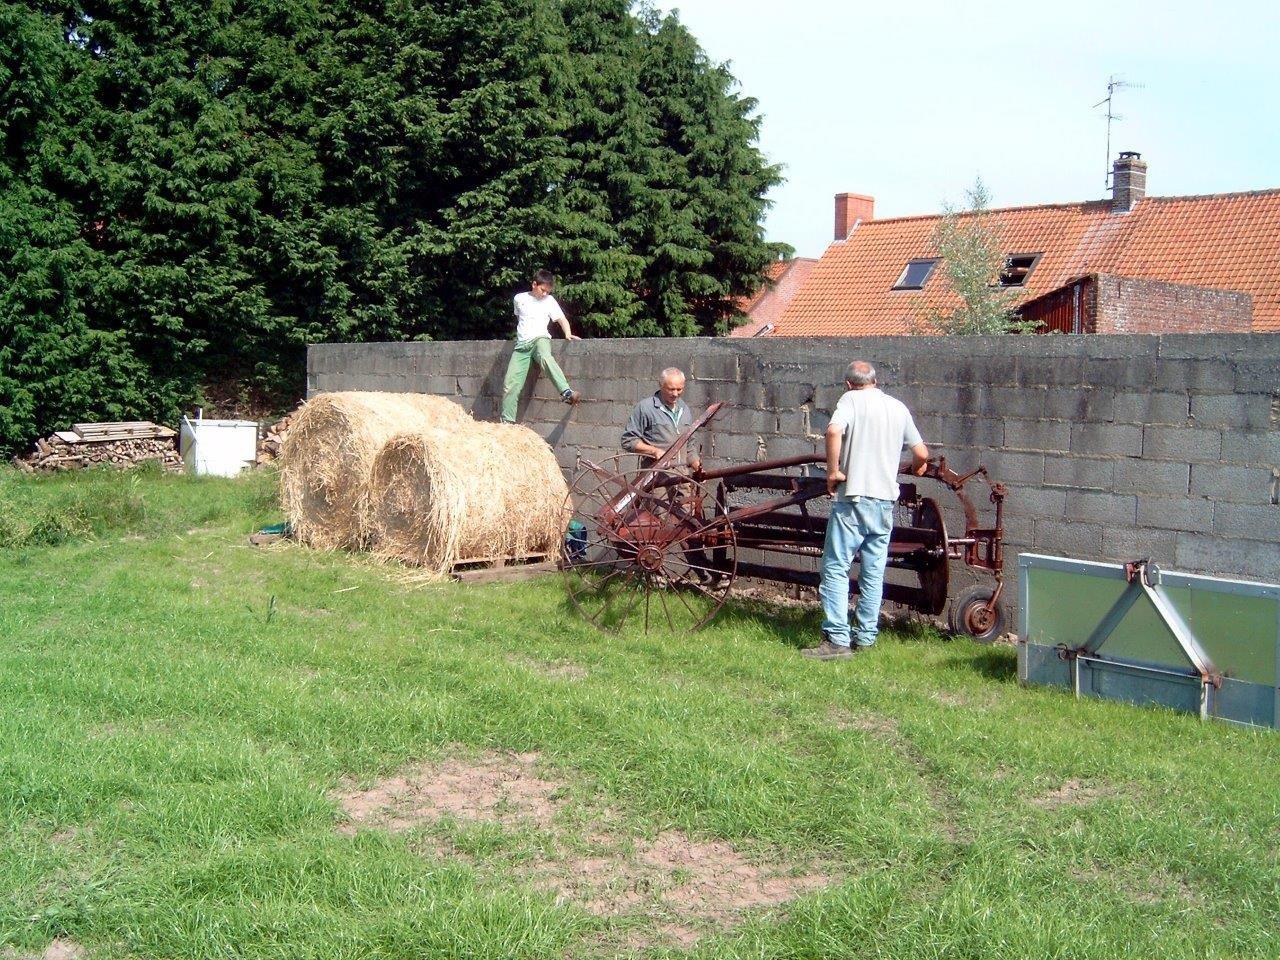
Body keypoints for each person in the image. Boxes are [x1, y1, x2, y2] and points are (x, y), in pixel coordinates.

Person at [803, 360, 929, 660]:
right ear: (875, 380)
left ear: (849, 384)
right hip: (885, 502)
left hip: (854, 500)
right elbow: (922, 453)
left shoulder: (850, 400)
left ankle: (836, 640)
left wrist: (833, 472)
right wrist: (918, 467)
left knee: (835, 568)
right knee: (873, 572)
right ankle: (866, 638)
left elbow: (833, 431)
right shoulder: (897, 407)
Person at [500, 269, 582, 424]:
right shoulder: (519, 299)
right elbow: (520, 319)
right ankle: (507, 423)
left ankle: (566, 392)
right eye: (542, 290)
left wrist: (568, 333)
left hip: (540, 339)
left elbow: (561, 319)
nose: (544, 294)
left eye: (547, 291)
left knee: (545, 358)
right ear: (534, 284)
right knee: (510, 384)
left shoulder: (549, 301)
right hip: (522, 346)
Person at [620, 368, 702, 472]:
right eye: (671, 389)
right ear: (661, 385)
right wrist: (654, 451)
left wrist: (697, 466)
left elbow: (689, 446)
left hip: (682, 480)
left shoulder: (684, 409)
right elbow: (628, 440)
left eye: (679, 389)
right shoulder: (646, 408)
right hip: (656, 480)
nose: (675, 394)